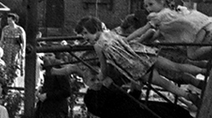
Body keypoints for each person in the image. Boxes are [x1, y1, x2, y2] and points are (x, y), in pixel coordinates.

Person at [74, 16, 204, 106]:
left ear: (94, 29)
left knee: (166, 85)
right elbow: (131, 37)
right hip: (143, 54)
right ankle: (203, 73)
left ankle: (190, 97)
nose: (85, 37)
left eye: (86, 33)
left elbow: (103, 66)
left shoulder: (98, 46)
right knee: (177, 66)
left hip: (136, 67)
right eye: (83, 35)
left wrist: (101, 76)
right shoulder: (112, 33)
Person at [0, 14, 26, 83]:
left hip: (15, 48)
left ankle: (14, 80)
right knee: (7, 64)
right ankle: (7, 79)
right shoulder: (5, 29)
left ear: (14, 20)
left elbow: (23, 42)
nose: (8, 22)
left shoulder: (19, 29)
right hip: (7, 48)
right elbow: (2, 40)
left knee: (14, 63)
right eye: (8, 20)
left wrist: (23, 51)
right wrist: (0, 49)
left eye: (10, 20)